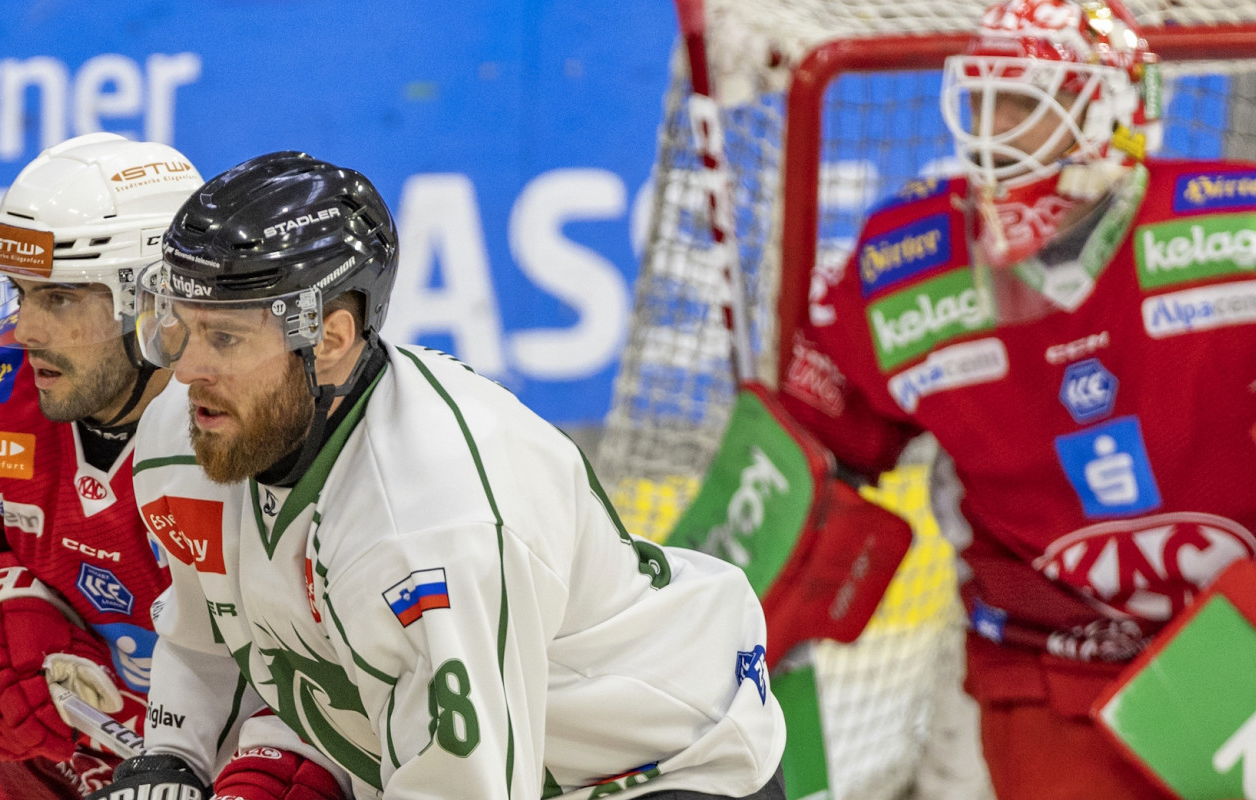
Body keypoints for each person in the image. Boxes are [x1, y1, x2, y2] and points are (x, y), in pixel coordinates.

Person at [86, 151, 785, 800]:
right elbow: (209, 633)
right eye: (182, 325)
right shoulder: (192, 433)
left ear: (329, 340)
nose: (186, 370)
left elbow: (463, 786)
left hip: (660, 768)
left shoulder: (426, 524)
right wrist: (173, 754)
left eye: (226, 339)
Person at [773, 0, 1256, 796]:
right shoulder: (904, 266)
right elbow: (816, 446)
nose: (993, 129)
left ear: (1110, 113)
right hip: (1051, 663)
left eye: (1024, 103)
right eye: (984, 100)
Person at [0, 132, 201, 800]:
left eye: (60, 299)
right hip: (56, 776)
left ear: (155, 301)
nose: (26, 329)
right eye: (18, 292)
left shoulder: (249, 437)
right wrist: (4, 613)